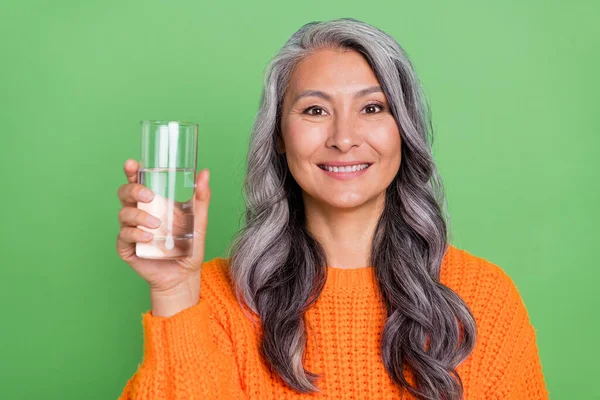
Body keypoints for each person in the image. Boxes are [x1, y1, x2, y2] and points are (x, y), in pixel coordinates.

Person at [116, 18, 549, 400]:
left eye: (372, 108)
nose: (344, 137)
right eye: (315, 110)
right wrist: (173, 293)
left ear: (405, 131)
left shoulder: (482, 299)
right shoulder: (209, 297)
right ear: (280, 137)